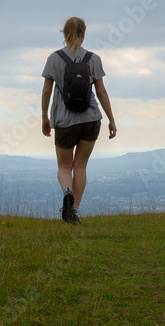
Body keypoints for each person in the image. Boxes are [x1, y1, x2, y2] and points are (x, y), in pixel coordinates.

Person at [41, 17, 116, 224]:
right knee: (80, 167)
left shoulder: (53, 59)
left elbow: (47, 90)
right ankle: (73, 211)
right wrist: (111, 120)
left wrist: (45, 117)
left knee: (64, 167)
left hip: (65, 121)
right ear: (84, 34)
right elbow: (101, 92)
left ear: (64, 35)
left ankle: (67, 192)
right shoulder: (93, 59)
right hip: (91, 119)